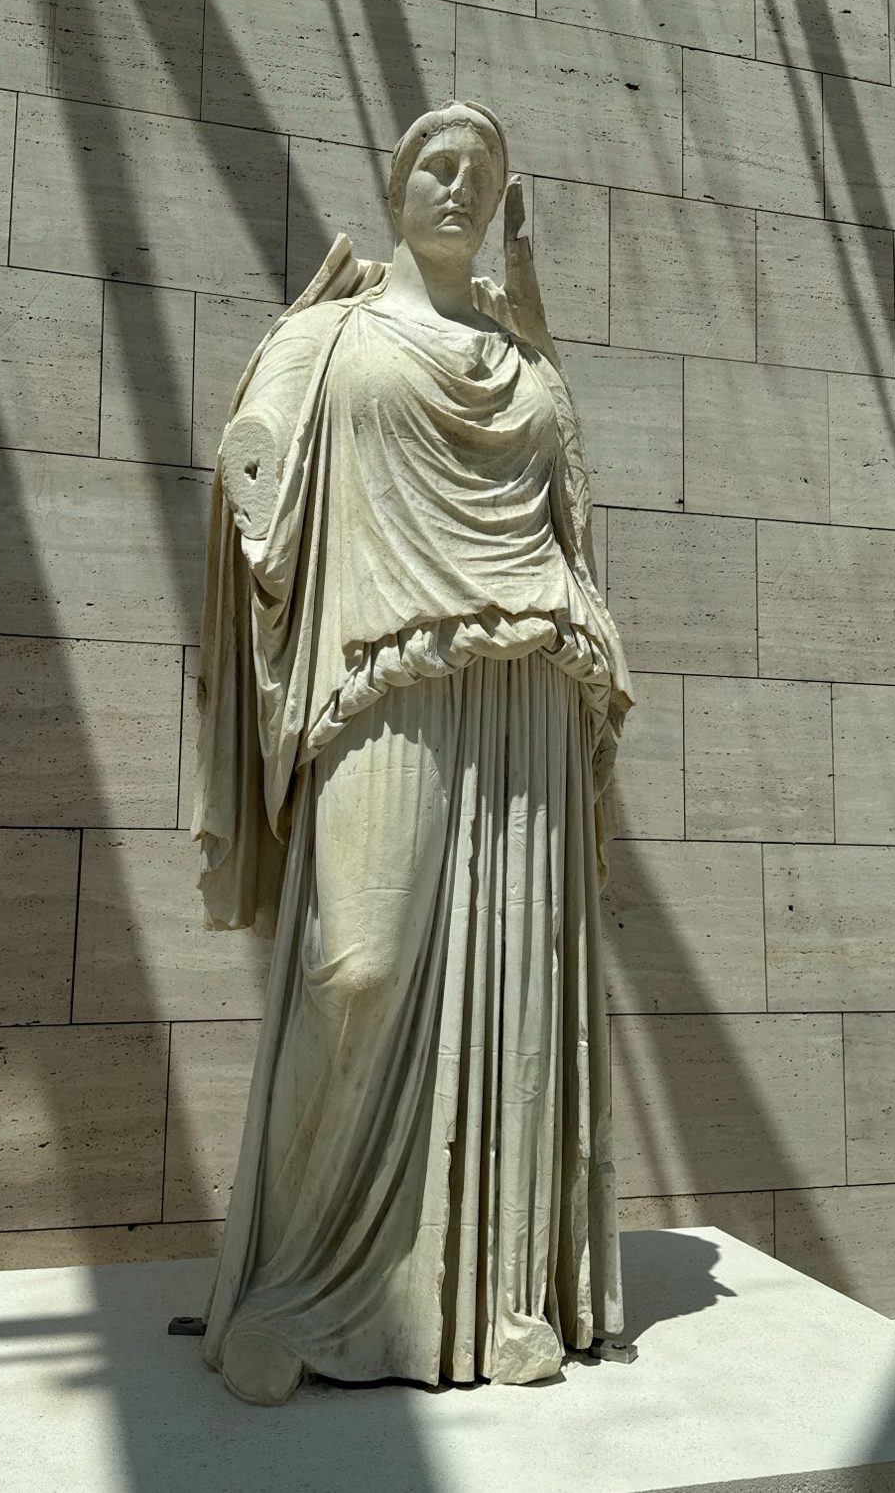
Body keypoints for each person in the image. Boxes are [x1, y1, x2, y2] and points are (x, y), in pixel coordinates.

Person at [193, 100, 633, 1406]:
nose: (458, 186)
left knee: (513, 988)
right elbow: (257, 465)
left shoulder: (523, 357)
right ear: (397, 185)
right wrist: (256, 469)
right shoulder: (329, 335)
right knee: (361, 965)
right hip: (381, 669)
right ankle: (291, 1286)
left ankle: (488, 1300)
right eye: (436, 165)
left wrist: (541, 334)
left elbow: (572, 514)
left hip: (528, 677)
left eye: (480, 174)